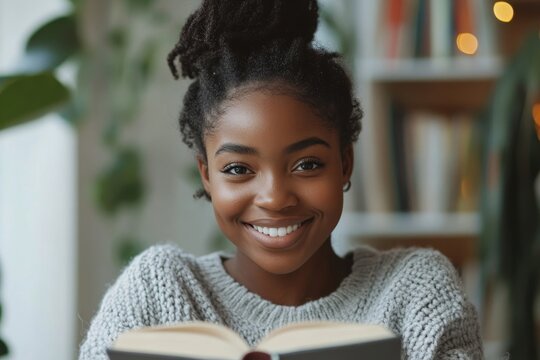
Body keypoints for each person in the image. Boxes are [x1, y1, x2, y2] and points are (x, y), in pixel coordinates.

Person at [79, 0, 484, 359]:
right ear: (207, 175)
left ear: (345, 163)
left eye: (307, 164)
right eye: (238, 170)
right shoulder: (156, 292)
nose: (274, 198)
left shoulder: (414, 294)